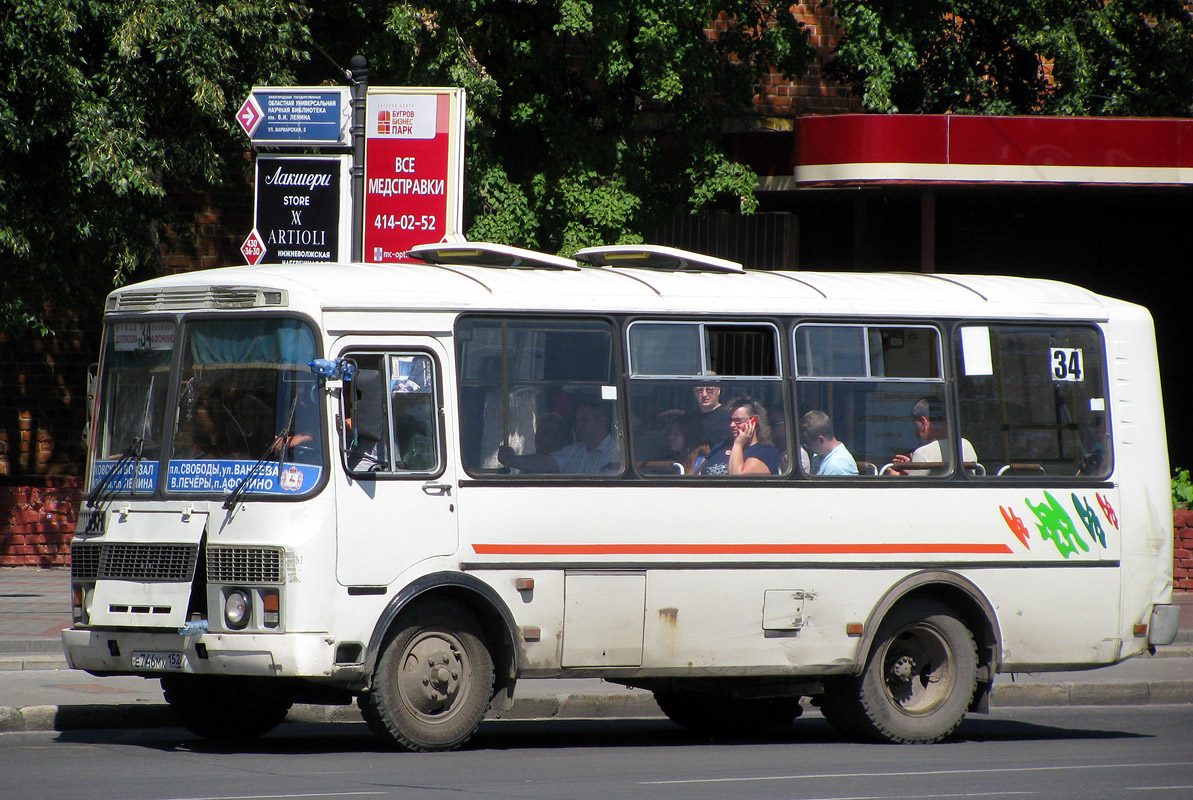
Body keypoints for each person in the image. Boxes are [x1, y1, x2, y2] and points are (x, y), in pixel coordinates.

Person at [497, 401, 619, 474]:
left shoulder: (615, 453)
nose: (579, 426)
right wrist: (511, 460)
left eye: (585, 421)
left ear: (602, 422)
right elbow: (547, 463)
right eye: (577, 422)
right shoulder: (576, 450)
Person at [886, 396, 976, 475]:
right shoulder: (966, 446)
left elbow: (913, 490)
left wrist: (896, 478)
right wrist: (913, 468)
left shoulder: (923, 453)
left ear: (924, 422)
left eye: (917, 427)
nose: (916, 433)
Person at [698, 398, 780, 476]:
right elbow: (698, 475)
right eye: (730, 421)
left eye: (738, 420)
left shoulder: (766, 452)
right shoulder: (720, 447)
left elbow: (736, 478)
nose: (732, 425)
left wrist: (738, 444)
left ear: (754, 420)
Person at [799, 409, 858, 476]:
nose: (807, 447)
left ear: (821, 440)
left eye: (807, 443)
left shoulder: (838, 466)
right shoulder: (818, 456)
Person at [692, 383, 729, 452]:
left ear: (718, 391)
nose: (704, 394)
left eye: (709, 390)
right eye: (699, 390)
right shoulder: (690, 418)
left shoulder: (728, 416)